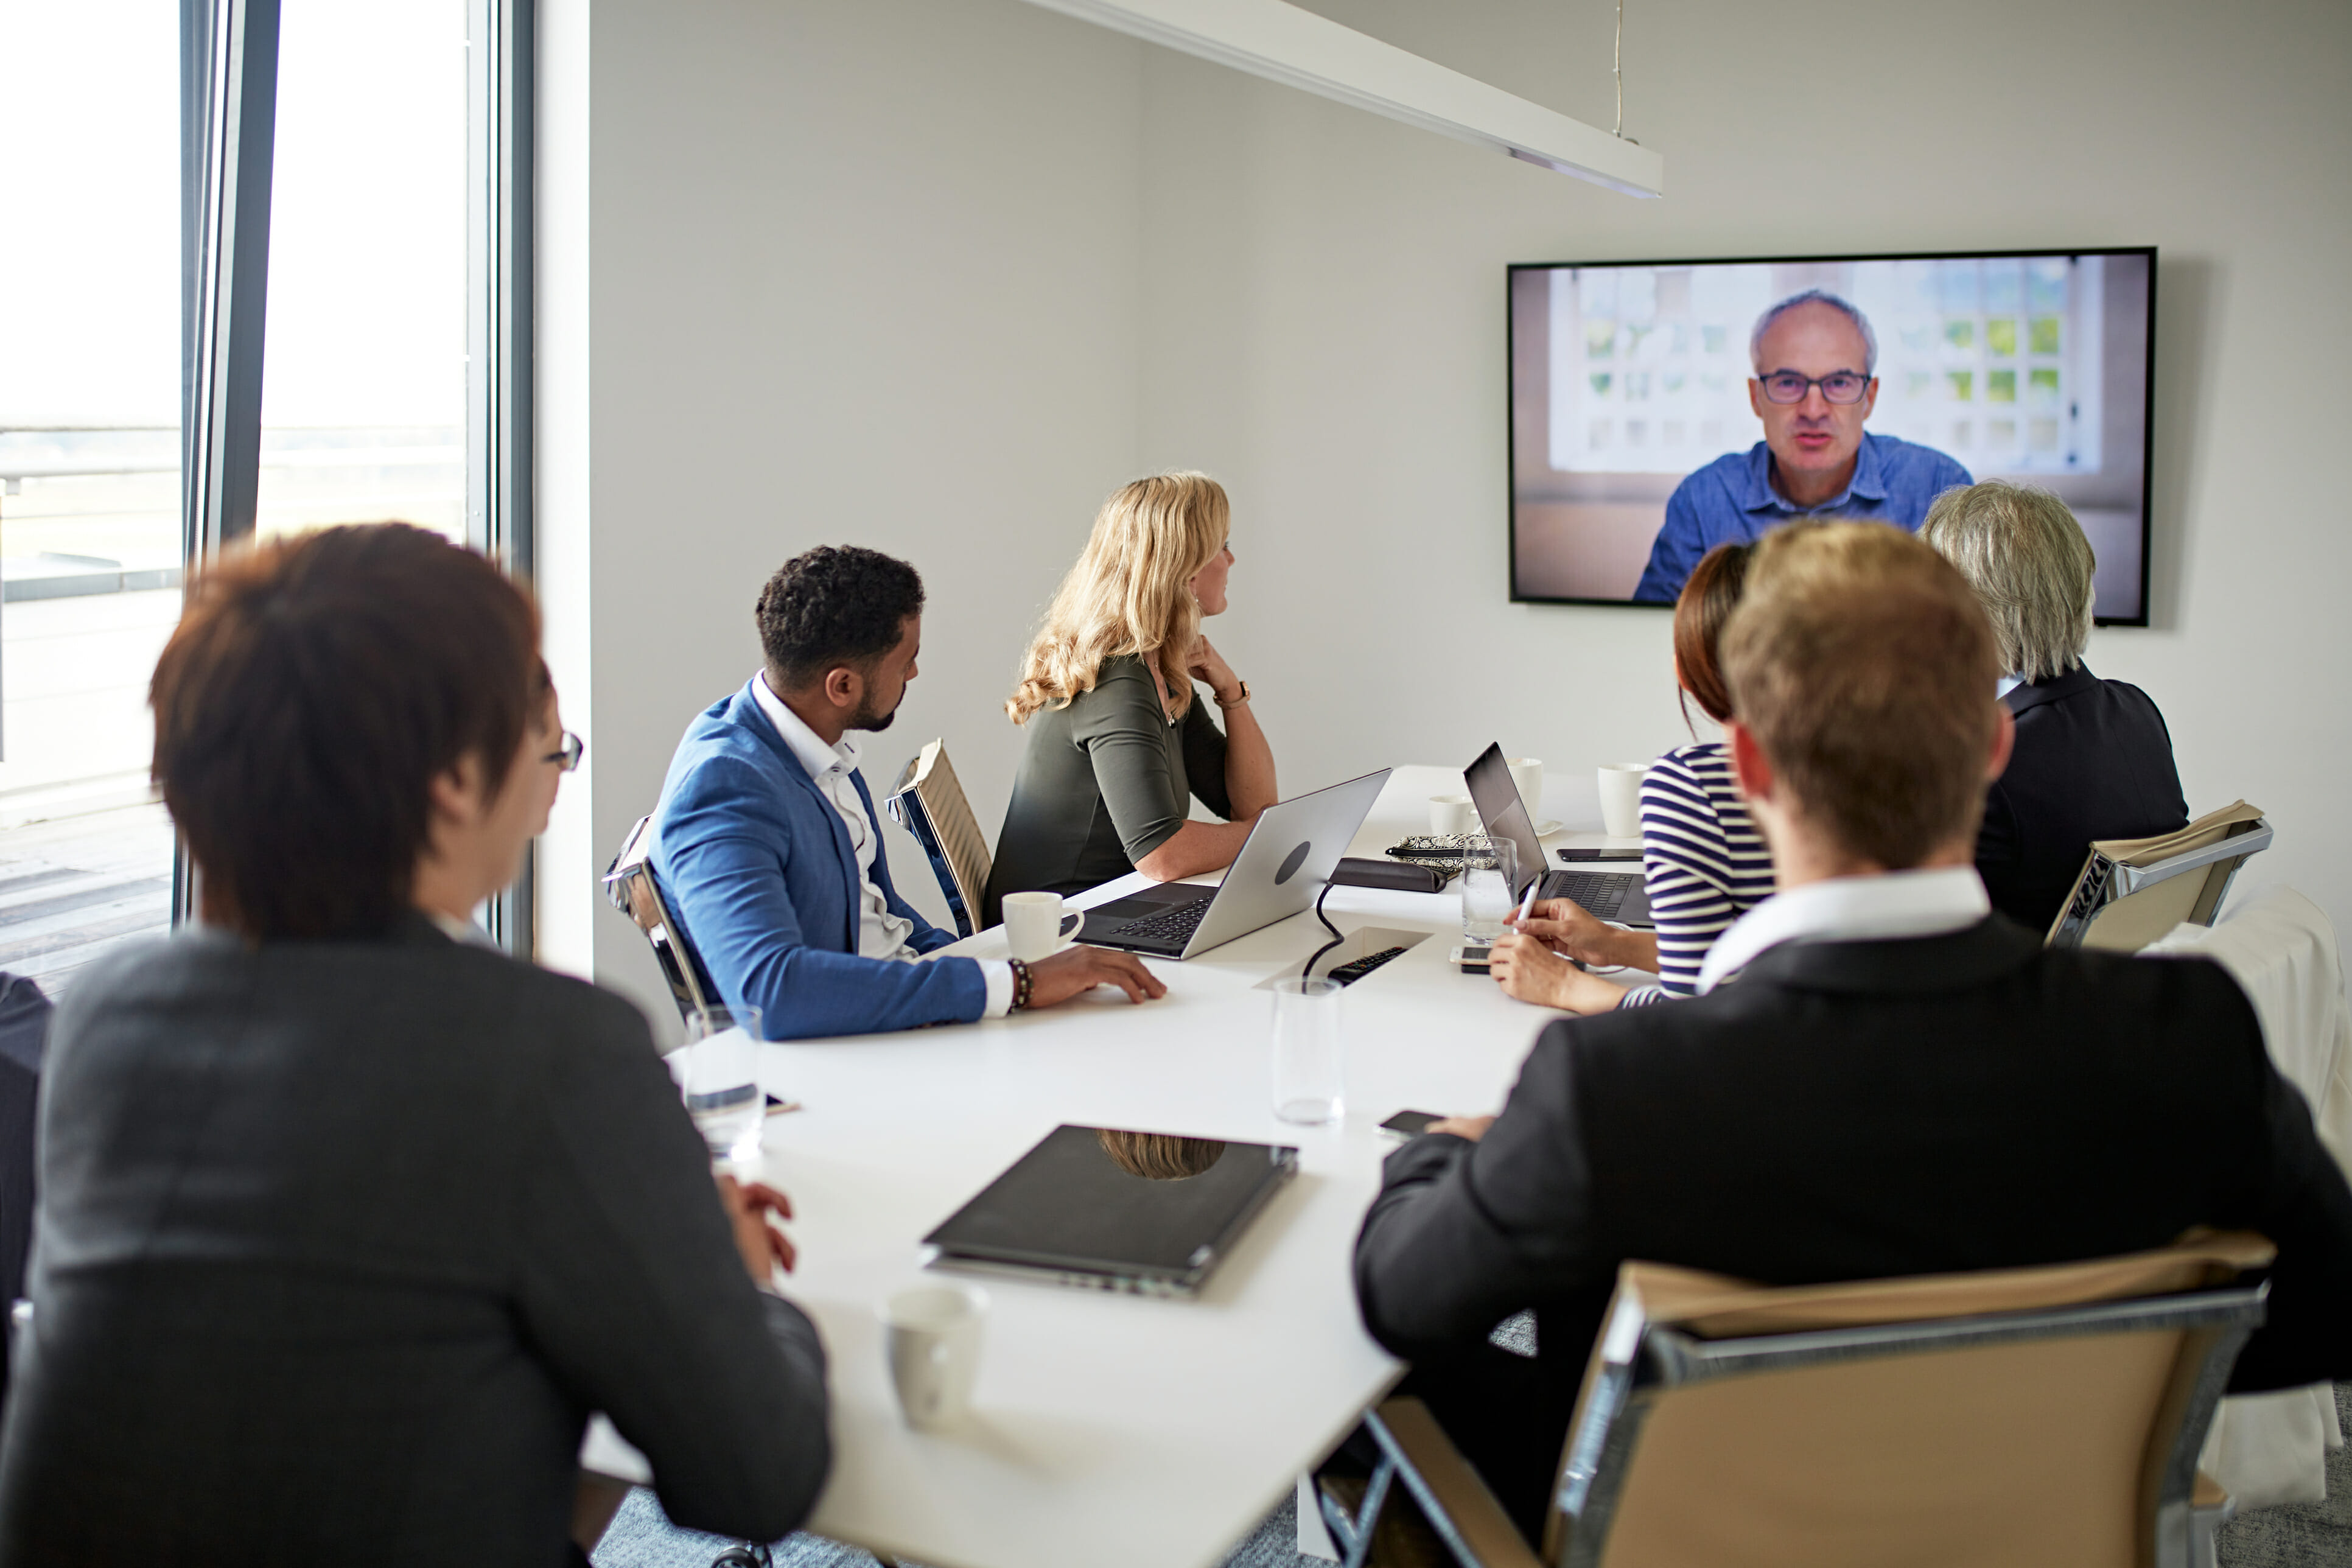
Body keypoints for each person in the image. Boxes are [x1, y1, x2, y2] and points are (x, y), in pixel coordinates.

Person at [1352, 521, 2352, 1547]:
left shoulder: (1610, 1093)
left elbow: (1398, 1297)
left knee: (1383, 1398)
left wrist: (1443, 1155)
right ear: (1992, 742)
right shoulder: (2188, 1038)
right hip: (2034, 1532)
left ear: (1746, 764)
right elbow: (2320, 1314)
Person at [0, 523, 831, 1564]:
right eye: (544, 751)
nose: (549, 789)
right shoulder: (551, 1053)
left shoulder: (110, 1016)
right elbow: (755, 1478)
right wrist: (731, 1283)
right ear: (450, 781)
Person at [653, 545, 1164, 1041]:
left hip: (905, 1013)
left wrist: (991, 961)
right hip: (861, 1055)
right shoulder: (723, 787)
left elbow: (883, 912)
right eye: (906, 660)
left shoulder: (817, 741)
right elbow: (773, 992)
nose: (914, 673)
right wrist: (1016, 984)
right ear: (843, 686)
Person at [1489, 541, 1773, 1011]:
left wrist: (1564, 986)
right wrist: (1615, 945)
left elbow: (1693, 1026)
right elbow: (1756, 961)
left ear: (1685, 670)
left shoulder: (1691, 786)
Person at [986, 472, 1277, 922]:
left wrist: (1230, 691)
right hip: (1060, 932)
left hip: (1112, 906)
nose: (1232, 559)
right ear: (1188, 567)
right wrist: (1267, 839)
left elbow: (1251, 805)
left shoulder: (1158, 666)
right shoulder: (1117, 678)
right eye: (1222, 545)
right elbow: (1162, 854)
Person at [1922, 479, 2188, 933]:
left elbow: (1924, 939)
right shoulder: (2139, 713)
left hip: (2014, 997)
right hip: (2126, 989)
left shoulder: (1984, 765)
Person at [1633, 289, 1971, 604]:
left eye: (1838, 383)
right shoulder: (1703, 501)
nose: (1813, 410)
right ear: (1756, 397)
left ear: (1869, 398)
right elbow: (1649, 637)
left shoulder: (1938, 488)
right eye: (1788, 383)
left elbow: (1984, 640)